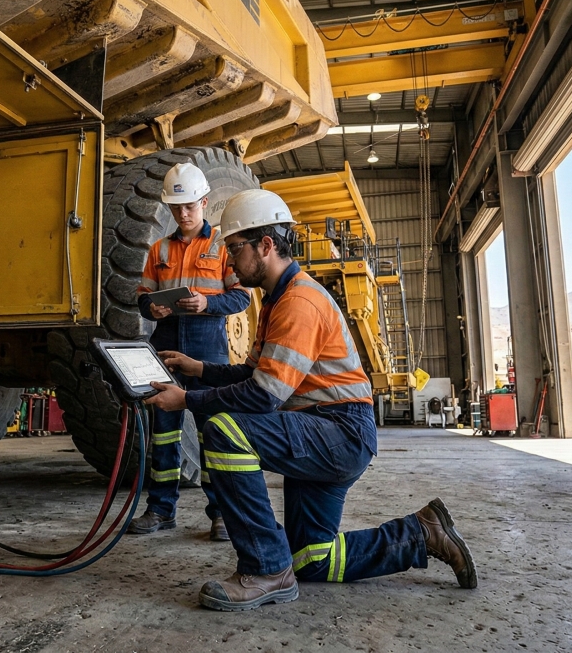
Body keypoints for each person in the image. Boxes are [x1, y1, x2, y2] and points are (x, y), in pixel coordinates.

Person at [144, 190, 477, 612]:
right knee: (312, 558)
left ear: (266, 245)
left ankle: (266, 569)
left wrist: (187, 400)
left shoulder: (299, 301)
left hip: (339, 431)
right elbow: (253, 375)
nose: (228, 260)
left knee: (224, 430)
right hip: (321, 429)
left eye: (235, 248)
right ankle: (422, 533)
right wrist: (199, 369)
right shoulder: (277, 299)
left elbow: (262, 396)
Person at [129, 163, 252, 541]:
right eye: (176, 207)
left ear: (204, 202)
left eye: (189, 206)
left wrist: (207, 303)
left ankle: (221, 514)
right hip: (165, 345)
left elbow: (241, 297)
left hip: (207, 348)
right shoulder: (159, 249)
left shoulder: (223, 246)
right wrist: (152, 308)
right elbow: (143, 297)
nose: (182, 214)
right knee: (163, 434)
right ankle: (160, 510)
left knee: (212, 434)